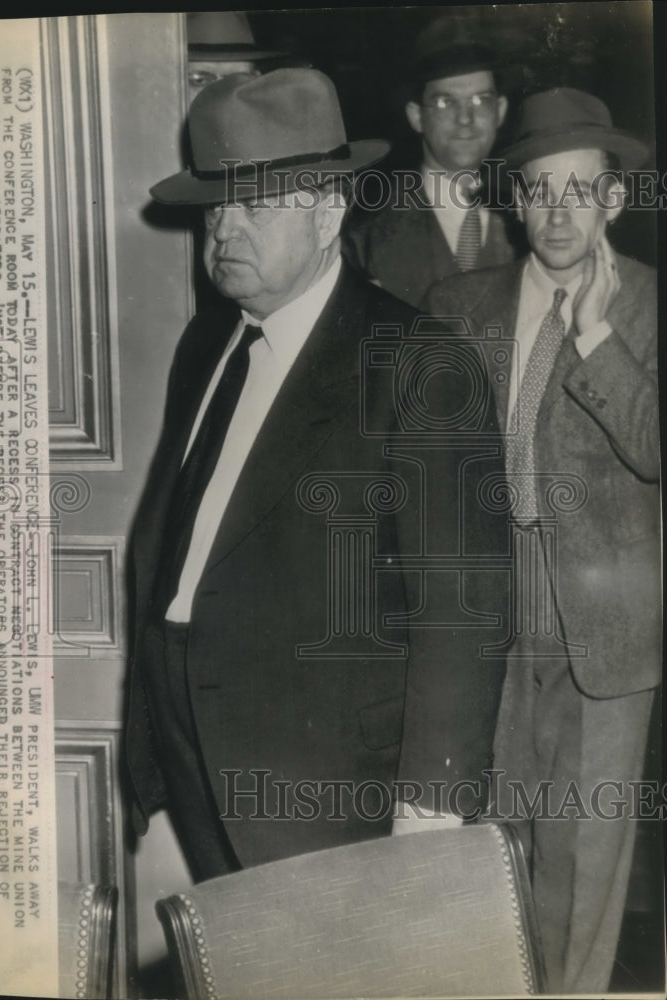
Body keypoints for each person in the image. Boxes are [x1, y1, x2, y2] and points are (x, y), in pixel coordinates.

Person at [125, 68, 509, 883]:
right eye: (215, 206)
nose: (225, 229)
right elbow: (172, 548)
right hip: (196, 765)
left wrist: (432, 807)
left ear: (329, 211)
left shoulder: (418, 361)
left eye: (256, 204)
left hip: (330, 785)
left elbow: (461, 602)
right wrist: (150, 764)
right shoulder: (206, 347)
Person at [423, 87, 659, 993]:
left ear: (613, 202)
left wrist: (595, 333)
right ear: (513, 199)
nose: (559, 213)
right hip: (486, 603)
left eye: (580, 192)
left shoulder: (646, 306)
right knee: (485, 842)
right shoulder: (456, 303)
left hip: (607, 620)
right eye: (539, 190)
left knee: (583, 857)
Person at [344, 15, 519, 308]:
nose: (465, 119)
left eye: (480, 101)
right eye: (445, 102)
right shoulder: (366, 234)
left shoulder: (529, 222)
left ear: (499, 110)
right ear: (416, 116)